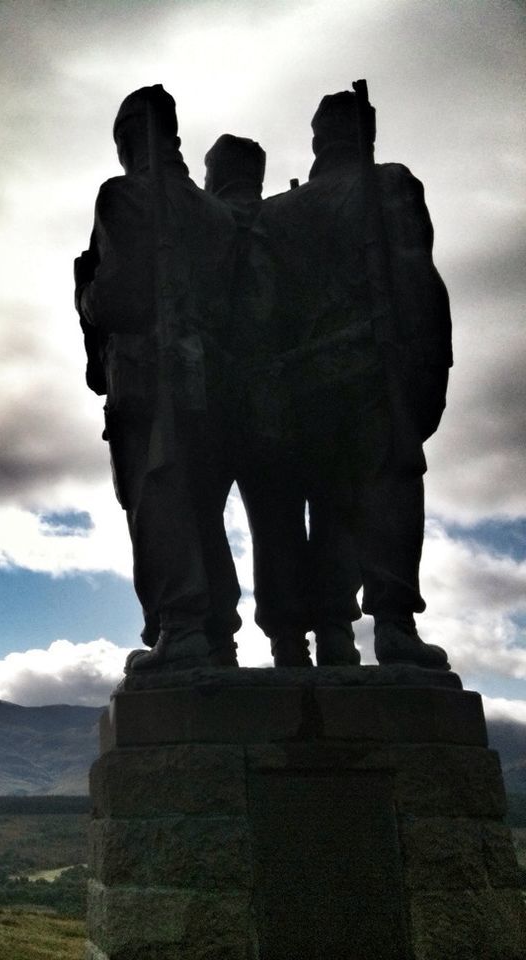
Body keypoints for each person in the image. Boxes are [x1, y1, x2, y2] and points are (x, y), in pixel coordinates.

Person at [260, 89, 452, 669]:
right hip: (372, 370)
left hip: (301, 385)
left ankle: (335, 636)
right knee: (387, 492)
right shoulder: (389, 183)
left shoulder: (276, 213)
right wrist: (428, 372)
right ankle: (393, 626)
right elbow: (418, 280)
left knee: (328, 508)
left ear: (318, 139)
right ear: (367, 129)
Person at [75, 85, 241, 672]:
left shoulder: (122, 197)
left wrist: (85, 295)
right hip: (220, 387)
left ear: (126, 139)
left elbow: (116, 297)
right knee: (203, 511)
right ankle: (219, 635)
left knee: (159, 503)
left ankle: (183, 627)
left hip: (149, 381)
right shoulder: (217, 212)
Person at [206, 133, 363, 668]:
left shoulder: (213, 226)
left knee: (274, 525)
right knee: (334, 510)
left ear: (218, 173)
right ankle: (336, 630)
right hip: (323, 388)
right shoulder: (299, 218)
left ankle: (290, 640)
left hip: (253, 397)